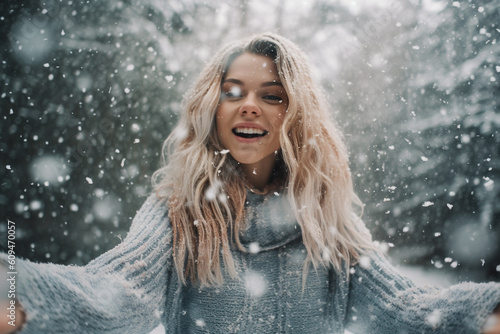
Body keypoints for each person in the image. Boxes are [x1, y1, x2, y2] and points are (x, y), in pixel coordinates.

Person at [1, 32, 499, 334]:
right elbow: (114, 292)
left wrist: (484, 313)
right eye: (232, 91)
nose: (249, 105)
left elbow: (411, 311)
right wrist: (15, 292)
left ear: (295, 115)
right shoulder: (179, 212)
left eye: (272, 95)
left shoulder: (327, 226)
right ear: (211, 109)